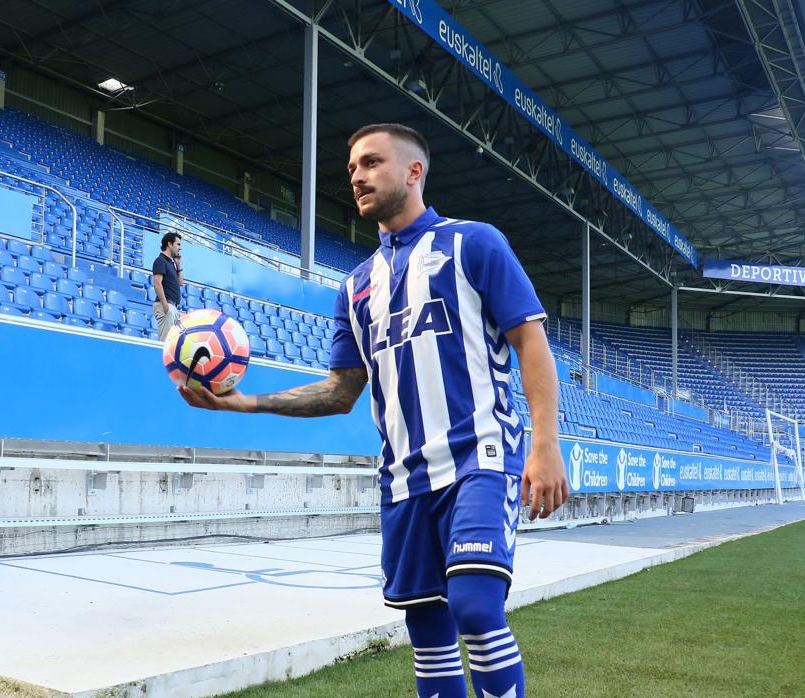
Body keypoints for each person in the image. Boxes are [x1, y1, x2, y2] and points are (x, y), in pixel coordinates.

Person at [179, 123, 567, 698]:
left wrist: (545, 442)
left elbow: (531, 341)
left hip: (479, 457)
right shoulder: (356, 287)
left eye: (371, 163)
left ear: (414, 172)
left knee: (474, 604)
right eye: (352, 168)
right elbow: (340, 392)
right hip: (404, 479)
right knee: (427, 626)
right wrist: (245, 402)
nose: (357, 175)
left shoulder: (474, 244)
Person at [152, 232, 183, 340]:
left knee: (172, 344)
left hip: (173, 307)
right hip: (166, 306)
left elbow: (180, 283)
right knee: (165, 343)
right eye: (178, 244)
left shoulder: (171, 263)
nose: (180, 248)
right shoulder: (160, 260)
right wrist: (165, 306)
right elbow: (157, 284)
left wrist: (178, 265)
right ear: (169, 244)